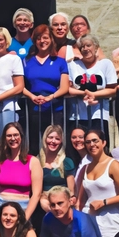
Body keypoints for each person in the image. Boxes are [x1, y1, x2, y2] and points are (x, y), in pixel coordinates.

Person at [76, 128, 119, 237]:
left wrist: (104, 202)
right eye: (88, 142)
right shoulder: (85, 168)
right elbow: (81, 200)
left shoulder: (113, 165)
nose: (92, 144)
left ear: (104, 142)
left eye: (95, 141)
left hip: (111, 222)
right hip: (89, 220)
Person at [22, 24, 70, 154]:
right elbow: (20, 86)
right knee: (34, 145)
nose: (42, 41)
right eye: (38, 38)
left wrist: (50, 97)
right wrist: (32, 96)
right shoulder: (26, 61)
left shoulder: (60, 62)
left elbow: (65, 87)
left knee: (55, 144)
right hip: (33, 109)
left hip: (56, 110)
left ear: (51, 39)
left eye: (45, 38)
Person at [0, 122, 43, 226]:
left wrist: (25, 218)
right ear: (5, 138)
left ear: (21, 136)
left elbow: (36, 194)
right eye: (9, 135)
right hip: (0, 208)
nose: (13, 138)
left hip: (23, 209)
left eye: (16, 135)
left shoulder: (33, 161)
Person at [68, 35, 118, 135]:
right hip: (77, 115)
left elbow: (113, 90)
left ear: (96, 47)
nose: (85, 49)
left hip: (99, 114)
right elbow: (67, 88)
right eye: (82, 47)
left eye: (88, 45)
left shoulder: (106, 64)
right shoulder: (72, 65)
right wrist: (84, 93)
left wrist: (94, 95)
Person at [37, 124, 75, 230]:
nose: (53, 141)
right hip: (43, 207)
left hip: (63, 208)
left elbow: (71, 191)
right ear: (45, 139)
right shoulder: (37, 161)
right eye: (50, 137)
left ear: (61, 141)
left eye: (57, 139)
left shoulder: (67, 162)